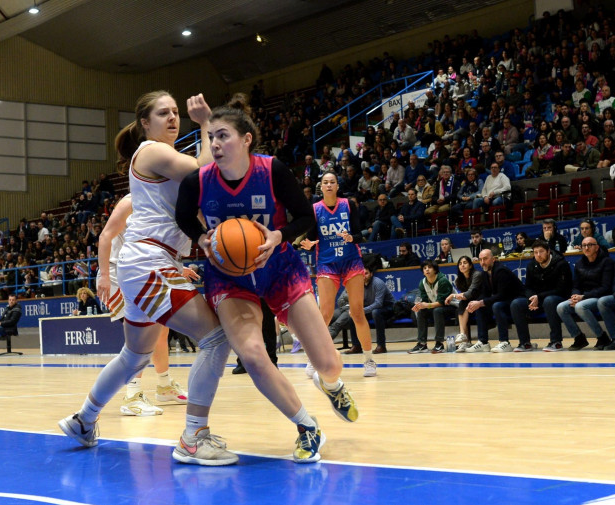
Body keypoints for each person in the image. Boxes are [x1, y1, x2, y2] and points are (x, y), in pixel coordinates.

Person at [175, 94, 359, 463]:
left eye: (223, 136)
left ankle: (331, 383)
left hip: (279, 270)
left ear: (246, 140)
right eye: (211, 137)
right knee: (254, 354)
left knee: (329, 362)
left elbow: (307, 218)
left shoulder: (271, 170)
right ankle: (308, 428)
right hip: (229, 279)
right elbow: (182, 217)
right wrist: (199, 238)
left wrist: (279, 235)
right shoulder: (198, 180)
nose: (215, 144)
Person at [59, 91, 239, 466]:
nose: (173, 118)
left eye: (176, 113)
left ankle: (84, 420)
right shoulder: (152, 151)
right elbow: (205, 173)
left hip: (149, 262)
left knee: (133, 356)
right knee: (217, 338)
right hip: (148, 261)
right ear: (145, 123)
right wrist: (206, 122)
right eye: (164, 113)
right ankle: (194, 438)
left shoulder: (164, 157)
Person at [94, 193, 191, 417]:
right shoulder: (131, 200)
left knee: (161, 330)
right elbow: (105, 236)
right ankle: (132, 395)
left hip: (142, 270)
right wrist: (105, 275)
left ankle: (165, 385)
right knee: (141, 334)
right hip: (118, 271)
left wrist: (178, 269)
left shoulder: (161, 201)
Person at [300, 171, 377, 377]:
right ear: (321, 187)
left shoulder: (349, 205)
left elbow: (360, 234)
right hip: (327, 263)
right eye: (325, 182)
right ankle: (313, 359)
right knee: (323, 315)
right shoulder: (315, 209)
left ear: (337, 185)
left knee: (357, 312)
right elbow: (310, 239)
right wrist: (307, 245)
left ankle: (369, 360)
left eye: (332, 182)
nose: (329, 185)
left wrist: (351, 237)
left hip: (351, 260)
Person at [556, 236, 615, 351]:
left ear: (597, 247)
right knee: (561, 307)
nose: (586, 248)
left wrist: (583, 297)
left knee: (580, 306)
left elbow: (606, 287)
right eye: (584, 245)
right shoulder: (579, 263)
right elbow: (576, 285)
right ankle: (579, 338)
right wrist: (574, 296)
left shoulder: (607, 262)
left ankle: (602, 337)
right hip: (583, 297)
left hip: (600, 297)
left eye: (590, 245)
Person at [511, 240, 572, 351]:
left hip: (558, 298)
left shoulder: (561, 264)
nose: (538, 255)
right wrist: (532, 298)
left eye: (541, 251)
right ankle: (525, 343)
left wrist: (539, 297)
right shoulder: (531, 265)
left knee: (549, 301)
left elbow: (562, 289)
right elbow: (528, 287)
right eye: (535, 252)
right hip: (538, 299)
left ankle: (556, 342)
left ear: (548, 251)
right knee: (516, 304)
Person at [407, 259, 456, 354]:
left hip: (450, 306)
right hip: (435, 306)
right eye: (424, 268)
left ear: (435, 269)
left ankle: (439, 343)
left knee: (437, 311)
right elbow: (425, 300)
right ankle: (422, 344)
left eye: (429, 267)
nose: (427, 270)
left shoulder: (443, 281)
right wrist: (420, 306)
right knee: (421, 312)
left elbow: (442, 302)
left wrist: (427, 305)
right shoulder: (422, 283)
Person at [446, 255, 491, 351]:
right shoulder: (459, 280)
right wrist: (458, 296)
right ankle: (465, 340)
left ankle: (474, 340)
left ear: (470, 265)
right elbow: (465, 297)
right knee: (462, 305)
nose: (462, 265)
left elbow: (469, 293)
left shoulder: (477, 275)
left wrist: (452, 295)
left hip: (484, 301)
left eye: (465, 263)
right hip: (471, 303)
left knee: (468, 304)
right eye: (460, 264)